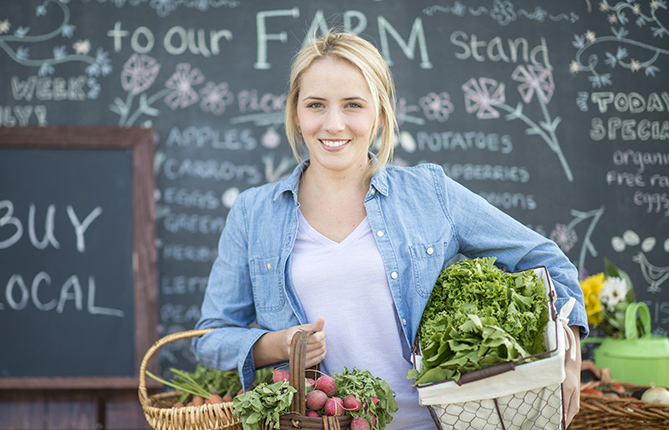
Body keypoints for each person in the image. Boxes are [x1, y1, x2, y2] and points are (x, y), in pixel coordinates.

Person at [193, 31, 588, 429]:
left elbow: (546, 260)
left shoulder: (429, 193)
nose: (333, 124)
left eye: (353, 105)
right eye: (316, 105)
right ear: (296, 112)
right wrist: (274, 345)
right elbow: (210, 338)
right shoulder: (253, 212)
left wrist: (568, 351)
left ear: (379, 113)